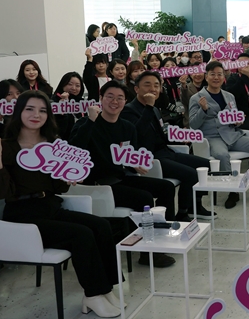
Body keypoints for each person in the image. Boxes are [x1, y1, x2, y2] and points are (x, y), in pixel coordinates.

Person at [0, 91, 122, 318]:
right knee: (81, 235)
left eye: (42, 110)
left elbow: (59, 187)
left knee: (101, 226)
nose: (36, 115)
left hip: (49, 206)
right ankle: (93, 294)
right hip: (22, 216)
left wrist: (66, 176)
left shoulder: (51, 145)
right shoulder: (4, 146)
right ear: (19, 112)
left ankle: (106, 288)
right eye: (29, 109)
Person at [69, 81, 178, 268]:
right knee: (143, 198)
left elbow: (129, 156)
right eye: (109, 96)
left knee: (166, 187)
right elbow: (74, 150)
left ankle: (161, 238)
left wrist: (135, 164)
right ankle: (147, 252)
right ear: (100, 99)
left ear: (125, 101)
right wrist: (90, 121)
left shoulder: (128, 127)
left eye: (120, 98)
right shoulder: (87, 124)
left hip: (121, 178)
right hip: (97, 184)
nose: (115, 101)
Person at [121, 71, 215, 220]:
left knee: (205, 165)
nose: (153, 88)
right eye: (147, 84)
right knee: (190, 174)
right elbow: (137, 134)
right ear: (137, 89)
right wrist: (149, 108)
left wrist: (180, 138)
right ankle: (182, 212)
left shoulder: (155, 109)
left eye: (156, 85)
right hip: (151, 158)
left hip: (165, 151)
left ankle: (194, 206)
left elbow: (161, 135)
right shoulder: (129, 110)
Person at [189, 61, 249, 207]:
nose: (216, 77)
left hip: (232, 134)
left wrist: (238, 121)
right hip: (213, 138)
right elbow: (193, 124)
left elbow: (234, 117)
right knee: (222, 155)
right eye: (212, 74)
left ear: (224, 77)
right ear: (206, 77)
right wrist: (203, 110)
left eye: (219, 74)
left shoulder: (229, 96)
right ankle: (233, 191)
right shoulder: (197, 98)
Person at [51, 72, 85, 141]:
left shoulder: (82, 103)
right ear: (63, 84)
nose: (74, 88)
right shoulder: (54, 101)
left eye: (77, 85)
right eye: (70, 84)